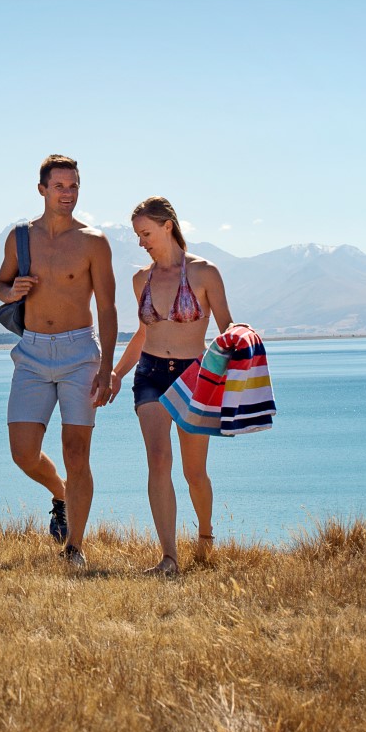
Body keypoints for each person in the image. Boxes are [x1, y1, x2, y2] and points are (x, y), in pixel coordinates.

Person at [0, 155, 118, 569]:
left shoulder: (93, 242)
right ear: (42, 189)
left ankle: (75, 548)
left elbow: (108, 309)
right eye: (60, 186)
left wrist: (107, 369)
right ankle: (61, 495)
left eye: (74, 186)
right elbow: (0, 285)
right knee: (23, 452)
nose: (68, 193)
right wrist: (12, 292)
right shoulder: (20, 237)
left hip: (79, 353)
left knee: (76, 450)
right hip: (30, 353)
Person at [105, 196, 233, 576]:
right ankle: (169, 558)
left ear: (167, 226)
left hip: (194, 376)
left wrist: (242, 361)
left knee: (195, 472)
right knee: (159, 460)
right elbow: (144, 333)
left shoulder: (205, 273)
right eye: (137, 235)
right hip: (150, 375)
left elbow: (227, 328)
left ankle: (206, 538)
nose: (141, 241)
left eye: (145, 233)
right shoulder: (139, 279)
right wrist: (117, 373)